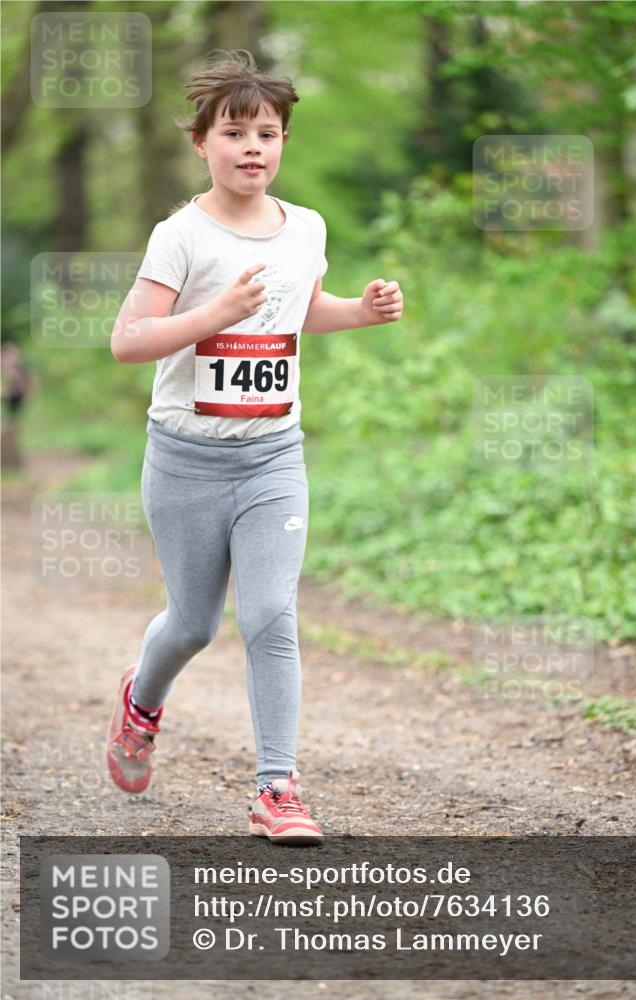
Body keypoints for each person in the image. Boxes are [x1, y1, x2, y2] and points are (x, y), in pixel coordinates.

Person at [105, 49, 403, 844]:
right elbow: (128, 343)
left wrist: (361, 312)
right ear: (201, 142)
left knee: (271, 615)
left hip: (273, 456)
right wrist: (214, 314)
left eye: (267, 133)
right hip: (185, 457)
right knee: (195, 624)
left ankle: (277, 787)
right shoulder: (180, 235)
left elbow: (301, 312)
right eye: (234, 131)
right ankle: (141, 700)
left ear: (282, 143)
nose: (252, 148)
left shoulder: (304, 227)